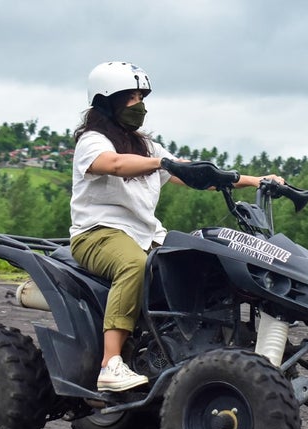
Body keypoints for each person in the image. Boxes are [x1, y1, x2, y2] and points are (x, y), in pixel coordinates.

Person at [70, 61, 284, 392]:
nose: (139, 104)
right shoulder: (93, 141)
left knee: (202, 264)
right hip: (98, 234)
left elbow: (194, 175)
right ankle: (110, 364)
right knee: (133, 266)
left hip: (146, 235)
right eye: (131, 97)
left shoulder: (147, 146)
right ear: (106, 101)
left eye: (142, 96)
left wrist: (258, 180)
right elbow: (112, 164)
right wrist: (161, 163)